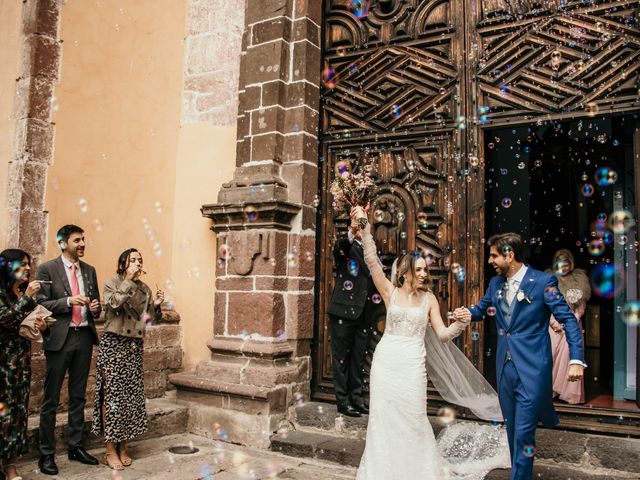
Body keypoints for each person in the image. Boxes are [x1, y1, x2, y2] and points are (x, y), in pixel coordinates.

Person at [352, 206, 510, 479]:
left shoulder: (429, 300)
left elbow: (443, 335)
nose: (425, 273)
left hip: (413, 363)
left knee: (413, 417)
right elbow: (372, 261)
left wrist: (460, 322)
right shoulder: (390, 292)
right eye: (420, 269)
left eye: (426, 269)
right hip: (387, 361)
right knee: (384, 418)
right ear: (406, 271)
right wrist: (365, 229)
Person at [456, 233, 585, 480]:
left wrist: (576, 360)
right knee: (513, 430)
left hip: (532, 369)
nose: (490, 260)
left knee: (524, 433)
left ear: (509, 255)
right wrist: (467, 313)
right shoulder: (495, 284)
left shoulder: (543, 282)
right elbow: (482, 309)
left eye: (494, 255)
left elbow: (568, 319)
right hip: (505, 370)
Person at [36, 225, 102, 475]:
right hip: (59, 340)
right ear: (63, 243)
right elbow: (40, 303)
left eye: (83, 239)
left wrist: (95, 308)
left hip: (84, 337)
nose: (82, 243)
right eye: (77, 240)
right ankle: (46, 453)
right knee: (50, 399)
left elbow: (95, 307)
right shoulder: (47, 269)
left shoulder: (90, 270)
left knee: (78, 396)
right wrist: (67, 301)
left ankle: (75, 446)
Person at [91, 248, 163, 470]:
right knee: (112, 397)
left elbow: (147, 321)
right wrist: (129, 280)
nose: (138, 263)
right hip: (114, 345)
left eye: (140, 260)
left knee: (129, 398)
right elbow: (112, 304)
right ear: (123, 264)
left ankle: (124, 447)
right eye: (133, 260)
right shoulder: (113, 282)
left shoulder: (145, 289)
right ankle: (110, 449)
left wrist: (157, 307)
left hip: (133, 347)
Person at [0, 249, 47, 480]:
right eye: (23, 264)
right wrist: (27, 297)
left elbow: (29, 328)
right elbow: (5, 320)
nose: (28, 268)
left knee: (16, 417)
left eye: (29, 264)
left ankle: (10, 465)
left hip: (20, 366)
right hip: (2, 367)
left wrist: (42, 325)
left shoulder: (20, 293)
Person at [327, 215, 377, 417]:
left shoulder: (371, 249)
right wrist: (351, 232)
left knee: (358, 358)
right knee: (341, 359)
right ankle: (342, 401)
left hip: (364, 313)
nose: (362, 228)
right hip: (343, 311)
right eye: (358, 225)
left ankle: (356, 399)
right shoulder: (345, 248)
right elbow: (339, 249)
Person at [547, 249, 590, 404]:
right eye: (560, 263)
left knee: (569, 357)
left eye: (566, 263)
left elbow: (581, 308)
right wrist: (553, 322)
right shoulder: (549, 279)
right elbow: (545, 305)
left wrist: (568, 323)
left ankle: (569, 394)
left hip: (571, 324)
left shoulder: (579, 280)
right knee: (550, 356)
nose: (563, 266)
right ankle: (551, 390)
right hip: (552, 325)